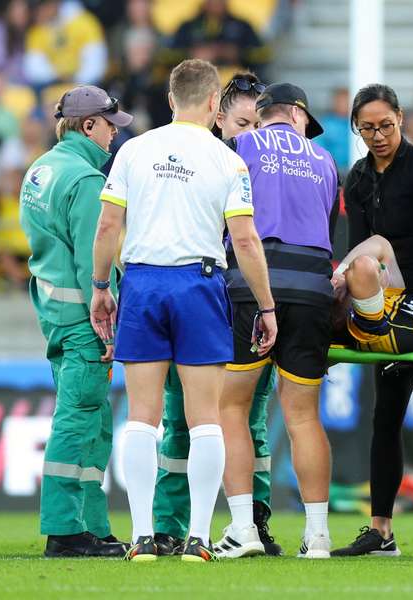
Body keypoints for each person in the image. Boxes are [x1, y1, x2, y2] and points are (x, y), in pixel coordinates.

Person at [89, 59, 277, 563]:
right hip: (199, 283)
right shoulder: (227, 160)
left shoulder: (134, 149)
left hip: (144, 282)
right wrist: (266, 305)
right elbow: (245, 238)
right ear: (215, 103)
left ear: (171, 100)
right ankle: (198, 537)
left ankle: (143, 537)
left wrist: (101, 286)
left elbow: (108, 226)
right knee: (205, 419)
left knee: (143, 418)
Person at [151, 72, 283, 558]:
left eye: (257, 125)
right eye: (242, 123)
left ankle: (253, 521)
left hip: (242, 300)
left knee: (250, 419)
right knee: (181, 416)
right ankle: (170, 523)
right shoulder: (203, 167)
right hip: (201, 296)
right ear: (218, 117)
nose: (249, 135)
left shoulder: (258, 172)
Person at [217, 82, 339, 560]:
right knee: (304, 416)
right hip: (312, 285)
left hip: (253, 283)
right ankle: (318, 536)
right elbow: (327, 230)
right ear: (297, 114)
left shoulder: (239, 147)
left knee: (233, 408)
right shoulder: (325, 161)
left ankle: (244, 527)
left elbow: (225, 219)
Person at [333, 84, 413, 557]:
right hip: (386, 308)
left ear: (402, 119)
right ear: (357, 129)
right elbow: (362, 247)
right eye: (368, 127)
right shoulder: (357, 179)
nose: (379, 135)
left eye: (386, 125)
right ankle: (381, 529)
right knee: (385, 417)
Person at [19, 85, 133, 558]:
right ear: (88, 125)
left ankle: (92, 526)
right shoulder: (86, 180)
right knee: (78, 419)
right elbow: (96, 266)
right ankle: (66, 530)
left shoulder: (41, 170)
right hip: (86, 320)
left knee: (92, 421)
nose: (113, 134)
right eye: (109, 125)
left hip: (55, 315)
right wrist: (110, 321)